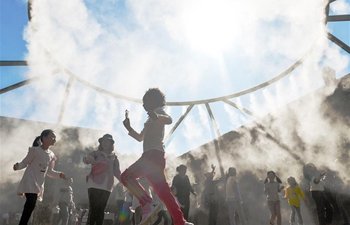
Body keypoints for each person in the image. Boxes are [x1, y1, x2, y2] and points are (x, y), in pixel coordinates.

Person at [121, 88, 193, 225]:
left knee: (126, 176)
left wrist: (156, 116)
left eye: (145, 102)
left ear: (154, 101)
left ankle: (147, 203)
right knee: (164, 192)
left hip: (151, 155)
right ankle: (180, 221)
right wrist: (129, 128)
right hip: (157, 158)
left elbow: (169, 120)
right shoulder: (149, 120)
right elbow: (140, 138)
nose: (143, 105)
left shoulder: (159, 112)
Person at [13, 129, 66, 225]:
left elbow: (49, 172)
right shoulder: (35, 150)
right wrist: (18, 167)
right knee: (31, 203)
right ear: (44, 138)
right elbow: (25, 162)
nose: (54, 139)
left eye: (55, 137)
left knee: (31, 205)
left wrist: (59, 174)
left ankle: (23, 222)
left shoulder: (51, 155)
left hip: (39, 183)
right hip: (30, 180)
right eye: (52, 136)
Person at [83, 134, 121, 225]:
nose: (105, 143)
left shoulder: (114, 157)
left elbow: (117, 173)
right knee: (93, 209)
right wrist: (88, 159)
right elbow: (85, 159)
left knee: (101, 210)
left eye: (107, 141)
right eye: (103, 141)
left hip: (107, 185)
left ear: (111, 143)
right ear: (101, 143)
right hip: (94, 183)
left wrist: (127, 181)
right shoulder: (96, 153)